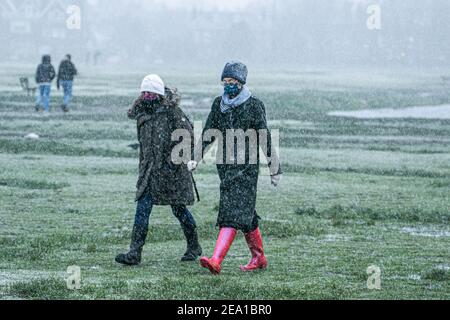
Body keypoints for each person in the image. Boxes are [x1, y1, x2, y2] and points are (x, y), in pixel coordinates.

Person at [189, 61, 282, 275]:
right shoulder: (217, 105)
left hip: (246, 169)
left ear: (241, 83)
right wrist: (196, 157)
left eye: (232, 82)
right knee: (246, 216)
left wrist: (274, 168)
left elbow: (264, 138)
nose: (228, 86)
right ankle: (258, 258)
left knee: (231, 213)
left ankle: (216, 259)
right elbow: (208, 133)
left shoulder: (254, 105)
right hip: (226, 168)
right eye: (225, 82)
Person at [115, 74, 202, 266]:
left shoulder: (173, 113)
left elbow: (188, 137)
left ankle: (194, 245)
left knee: (179, 209)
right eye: (144, 92)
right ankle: (134, 253)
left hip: (173, 172)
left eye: (151, 92)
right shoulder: (142, 115)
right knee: (142, 210)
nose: (147, 95)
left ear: (159, 94)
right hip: (149, 172)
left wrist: (182, 160)